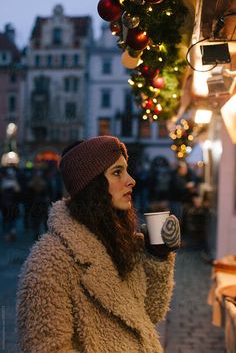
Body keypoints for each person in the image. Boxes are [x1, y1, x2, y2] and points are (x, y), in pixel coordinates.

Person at [16, 136, 181, 353]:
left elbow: (146, 317)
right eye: (116, 172)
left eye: (127, 170)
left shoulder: (120, 242)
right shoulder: (48, 261)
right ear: (92, 184)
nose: (131, 180)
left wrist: (157, 257)